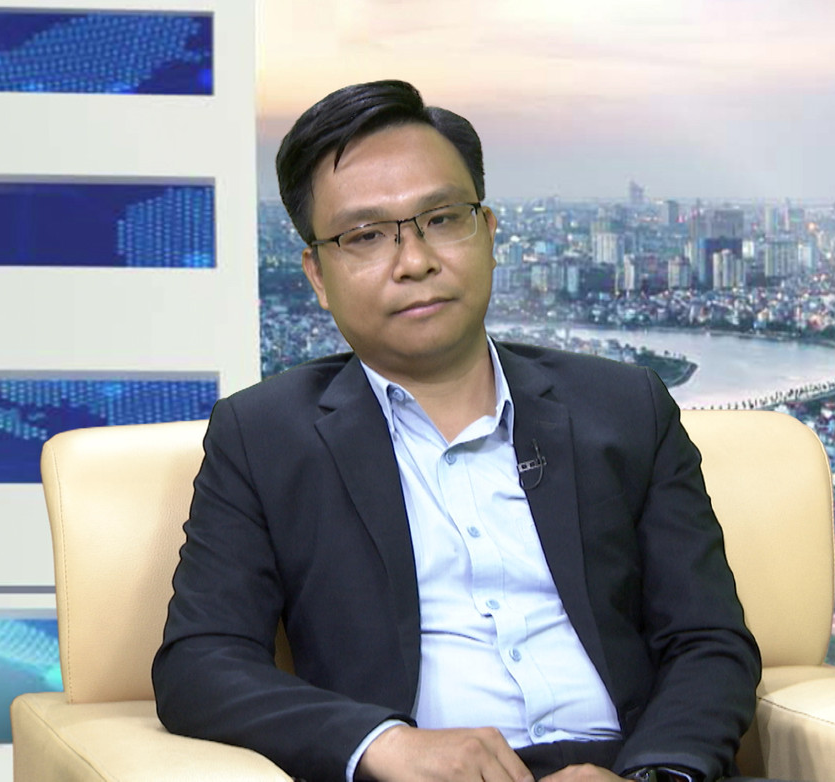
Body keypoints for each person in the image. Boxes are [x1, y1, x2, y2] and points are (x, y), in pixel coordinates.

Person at [152, 80, 760, 782]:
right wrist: (383, 744)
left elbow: (708, 641)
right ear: (317, 274)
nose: (415, 261)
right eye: (366, 236)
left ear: (489, 232)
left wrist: (653, 777)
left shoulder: (627, 407)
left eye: (442, 219)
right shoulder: (262, 437)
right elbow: (201, 662)